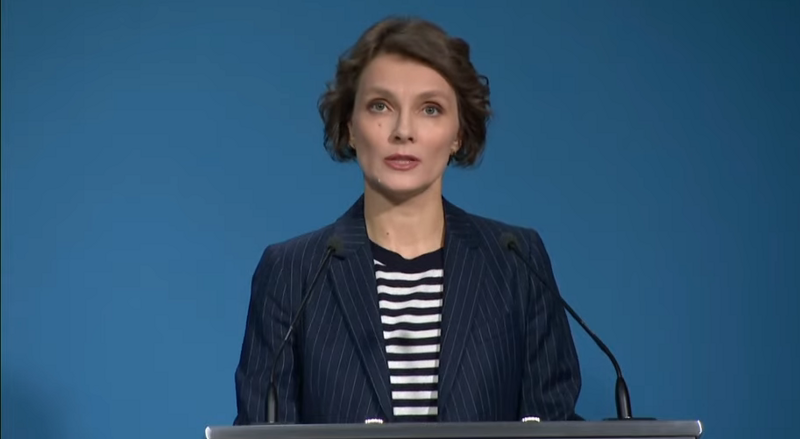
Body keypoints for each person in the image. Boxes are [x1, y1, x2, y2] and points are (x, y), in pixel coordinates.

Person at [233, 16, 582, 425]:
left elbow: (554, 421)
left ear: (458, 134)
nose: (403, 131)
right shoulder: (292, 273)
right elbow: (263, 427)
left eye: (430, 109)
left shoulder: (517, 262)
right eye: (380, 106)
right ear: (350, 127)